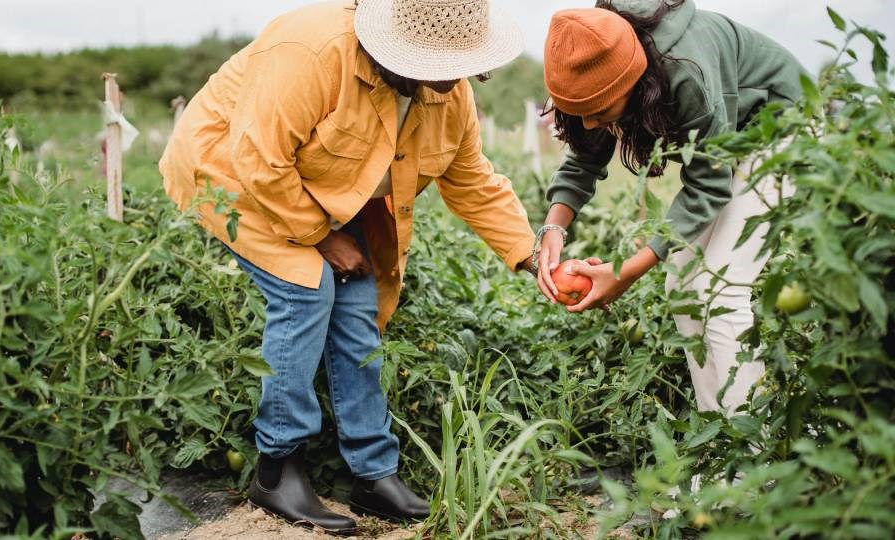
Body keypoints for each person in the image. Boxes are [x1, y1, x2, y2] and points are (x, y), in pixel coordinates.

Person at [159, 0, 537, 534]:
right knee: (307, 289)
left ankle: (373, 474)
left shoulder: (448, 91)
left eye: (462, 67)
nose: (452, 83)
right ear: (394, 48)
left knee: (358, 305)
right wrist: (322, 237)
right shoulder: (312, 51)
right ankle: (277, 467)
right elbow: (258, 158)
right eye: (438, 68)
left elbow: (472, 179)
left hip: (327, 191)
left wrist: (531, 253)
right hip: (234, 176)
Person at [534, 0, 806, 415]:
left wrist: (623, 273)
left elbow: (708, 184)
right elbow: (585, 157)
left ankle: (753, 460)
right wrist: (553, 230)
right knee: (681, 286)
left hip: (783, 126)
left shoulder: (685, 73)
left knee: (722, 288)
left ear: (634, 84)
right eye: (579, 113)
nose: (589, 125)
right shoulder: (602, 57)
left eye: (599, 112)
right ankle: (716, 443)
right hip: (733, 141)